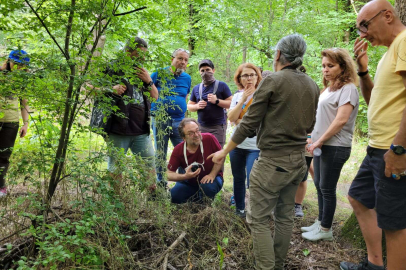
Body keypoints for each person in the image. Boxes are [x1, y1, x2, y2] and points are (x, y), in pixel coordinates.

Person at [209, 34, 319, 270]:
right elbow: (310, 125)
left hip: (272, 161)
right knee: (285, 215)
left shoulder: (273, 81)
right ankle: (277, 264)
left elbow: (247, 124)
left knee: (257, 218)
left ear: (278, 54)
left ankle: (266, 267)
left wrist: (223, 152)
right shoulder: (311, 84)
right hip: (298, 160)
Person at [340, 1, 406, 269]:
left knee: (394, 224)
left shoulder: (403, 42)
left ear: (387, 15)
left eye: (365, 25)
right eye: (359, 29)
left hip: (394, 149)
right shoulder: (390, 53)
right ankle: (374, 264)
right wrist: (363, 70)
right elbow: (373, 100)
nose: (363, 34)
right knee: (358, 196)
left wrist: (399, 150)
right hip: (377, 148)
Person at [301, 48, 359, 241]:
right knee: (318, 183)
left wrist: (319, 140)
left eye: (330, 66)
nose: (325, 69)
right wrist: (312, 137)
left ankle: (326, 230)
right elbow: (321, 117)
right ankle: (320, 222)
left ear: (343, 67)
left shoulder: (348, 88)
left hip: (336, 146)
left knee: (326, 187)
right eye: (324, 65)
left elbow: (341, 120)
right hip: (321, 144)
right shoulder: (329, 88)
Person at [94, 37, 158, 190]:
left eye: (144, 56)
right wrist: (111, 89)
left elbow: (155, 96)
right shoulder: (111, 67)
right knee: (116, 167)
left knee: (149, 164)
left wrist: (148, 81)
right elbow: (88, 88)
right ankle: (116, 202)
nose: (142, 59)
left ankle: (152, 199)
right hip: (118, 130)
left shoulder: (141, 71)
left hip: (141, 131)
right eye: (139, 55)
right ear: (128, 52)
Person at [151, 49, 192, 185]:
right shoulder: (159, 73)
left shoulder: (187, 78)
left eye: (185, 60)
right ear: (172, 59)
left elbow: (184, 96)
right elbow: (147, 90)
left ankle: (182, 183)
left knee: (182, 151)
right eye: (180, 58)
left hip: (179, 121)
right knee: (160, 152)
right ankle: (161, 184)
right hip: (160, 119)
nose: (183, 62)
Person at [227, 63, 262, 218]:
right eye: (245, 75)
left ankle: (256, 212)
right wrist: (242, 100)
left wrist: (240, 120)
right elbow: (231, 118)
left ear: (257, 77)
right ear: (239, 79)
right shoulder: (236, 96)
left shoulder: (263, 95)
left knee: (253, 180)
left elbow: (261, 121)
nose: (249, 78)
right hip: (237, 144)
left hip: (256, 146)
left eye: (252, 75)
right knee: (238, 178)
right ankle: (240, 209)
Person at [166, 118, 224, 204]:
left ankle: (204, 204)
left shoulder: (209, 138)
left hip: (212, 178)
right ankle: (196, 198)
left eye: (197, 130)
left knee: (207, 188)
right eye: (191, 133)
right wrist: (185, 176)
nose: (196, 135)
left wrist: (212, 174)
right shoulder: (178, 150)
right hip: (189, 182)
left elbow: (221, 156)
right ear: (184, 138)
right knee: (175, 195)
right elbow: (168, 174)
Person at [0, 50, 31, 197]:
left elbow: (24, 103)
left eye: (22, 66)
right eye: (16, 64)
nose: (19, 69)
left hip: (11, 123)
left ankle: (1, 187)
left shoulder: (22, 80)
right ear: (8, 61)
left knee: (4, 156)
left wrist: (25, 123)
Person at [187, 59, 232, 147]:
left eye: (208, 70)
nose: (205, 73)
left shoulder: (222, 85)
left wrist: (217, 101)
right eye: (202, 71)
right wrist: (197, 106)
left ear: (213, 70)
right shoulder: (196, 88)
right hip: (201, 127)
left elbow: (231, 103)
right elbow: (189, 106)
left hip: (218, 127)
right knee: (202, 151)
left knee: (217, 152)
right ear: (199, 72)